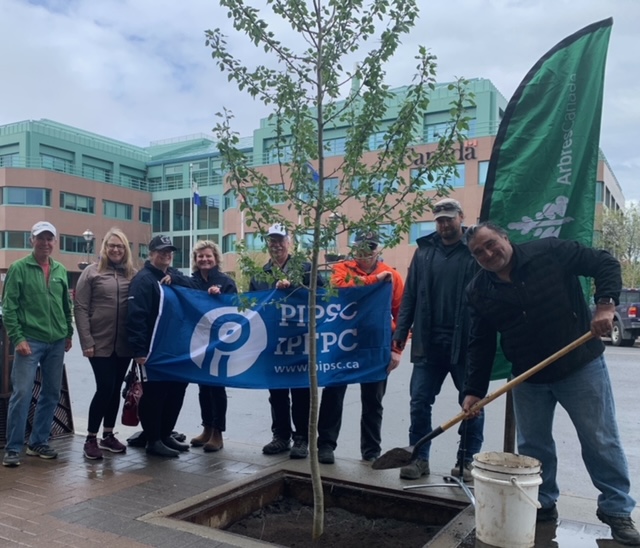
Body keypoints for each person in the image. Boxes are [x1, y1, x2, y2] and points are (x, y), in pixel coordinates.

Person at [461, 222, 640, 546]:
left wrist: (606, 304)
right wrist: (473, 390)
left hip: (580, 365)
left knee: (600, 440)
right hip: (528, 376)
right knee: (533, 447)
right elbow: (481, 342)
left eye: (491, 244)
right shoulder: (478, 290)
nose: (488, 253)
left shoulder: (551, 252)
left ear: (504, 237)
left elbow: (605, 262)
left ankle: (616, 510)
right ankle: (542, 501)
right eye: (478, 252)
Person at [392, 198, 484, 481]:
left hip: (465, 344)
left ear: (461, 217)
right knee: (419, 402)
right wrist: (399, 335)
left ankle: (466, 461)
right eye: (440, 220)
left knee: (471, 405)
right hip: (427, 343)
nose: (444, 224)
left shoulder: (475, 249)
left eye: (449, 218)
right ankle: (419, 458)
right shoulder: (424, 252)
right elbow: (409, 296)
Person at [316, 231, 404, 464]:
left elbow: (403, 315)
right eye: (361, 247)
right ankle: (325, 445)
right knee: (333, 393)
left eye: (370, 247)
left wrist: (397, 350)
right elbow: (340, 287)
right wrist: (375, 280)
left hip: (377, 345)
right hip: (343, 342)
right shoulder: (342, 269)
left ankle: (371, 450)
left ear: (378, 249)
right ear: (355, 249)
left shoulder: (393, 276)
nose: (365, 252)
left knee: (373, 400)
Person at [249, 223, 324, 460]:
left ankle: (302, 438)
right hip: (273, 344)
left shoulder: (305, 268)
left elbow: (322, 297)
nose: (276, 244)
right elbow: (254, 306)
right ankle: (280, 436)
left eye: (280, 240)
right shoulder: (260, 275)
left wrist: (295, 286)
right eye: (272, 240)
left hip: (300, 343)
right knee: (277, 393)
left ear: (289, 241)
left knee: (301, 392)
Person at [2, 221, 73, 467]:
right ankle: (13, 448)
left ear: (55, 242)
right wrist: (18, 338)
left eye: (49, 239)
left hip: (56, 342)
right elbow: (8, 308)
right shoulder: (19, 268)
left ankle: (38, 442)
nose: (45, 243)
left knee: (51, 392)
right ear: (31, 240)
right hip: (29, 342)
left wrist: (68, 333)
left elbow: (66, 305)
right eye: (40, 238)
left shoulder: (61, 270)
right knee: (21, 393)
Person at [126, 235, 195, 458]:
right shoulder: (143, 280)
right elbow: (136, 317)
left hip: (174, 350)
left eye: (169, 252)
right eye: (161, 251)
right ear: (151, 253)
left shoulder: (172, 275)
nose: (165, 255)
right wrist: (139, 350)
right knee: (155, 395)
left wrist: (175, 280)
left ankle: (165, 434)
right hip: (152, 351)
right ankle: (153, 439)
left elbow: (194, 287)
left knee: (176, 392)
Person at [74, 228, 136, 460]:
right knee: (105, 388)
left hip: (123, 344)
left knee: (115, 388)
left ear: (125, 249)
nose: (116, 249)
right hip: (98, 343)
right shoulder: (91, 273)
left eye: (120, 246)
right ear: (105, 248)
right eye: (112, 246)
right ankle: (91, 438)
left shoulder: (132, 274)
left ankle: (108, 435)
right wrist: (86, 340)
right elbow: (80, 307)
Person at [189, 240, 238, 452]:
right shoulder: (192, 282)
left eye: (208, 256)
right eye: (200, 256)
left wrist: (221, 299)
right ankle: (207, 427)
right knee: (203, 387)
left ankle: (218, 432)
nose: (204, 259)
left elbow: (236, 308)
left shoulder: (226, 281)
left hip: (220, 342)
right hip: (199, 341)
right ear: (195, 260)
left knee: (217, 388)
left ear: (215, 258)